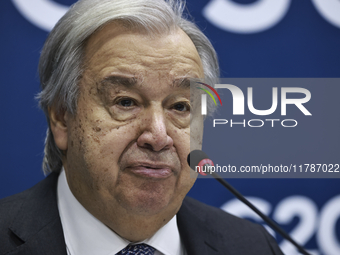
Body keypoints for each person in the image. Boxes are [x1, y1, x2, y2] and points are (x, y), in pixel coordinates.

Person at [0, 0, 283, 254]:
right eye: (125, 102)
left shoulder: (252, 246)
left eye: (181, 107)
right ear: (62, 117)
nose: (158, 137)